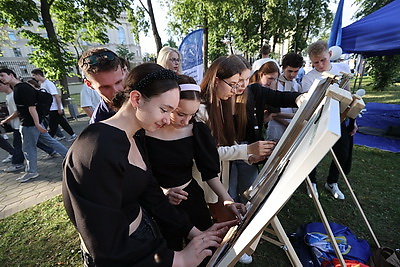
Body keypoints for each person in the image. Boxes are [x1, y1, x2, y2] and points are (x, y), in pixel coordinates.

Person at [62, 63, 234, 266]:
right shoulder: (96, 150)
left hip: (145, 236)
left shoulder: (136, 136)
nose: (166, 118)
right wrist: (178, 259)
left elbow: (151, 194)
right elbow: (106, 246)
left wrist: (196, 233)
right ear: (136, 99)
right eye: (164, 109)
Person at [145, 74, 245, 252]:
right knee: (170, 250)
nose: (186, 121)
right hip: (159, 203)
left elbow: (209, 172)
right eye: (180, 114)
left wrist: (227, 200)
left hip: (192, 199)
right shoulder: (146, 134)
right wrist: (164, 192)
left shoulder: (196, 131)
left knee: (206, 248)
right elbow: (143, 175)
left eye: (192, 115)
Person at [302, 40, 357, 200]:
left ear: (330, 54)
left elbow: (348, 95)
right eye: (315, 63)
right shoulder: (308, 78)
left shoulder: (343, 69)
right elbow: (309, 105)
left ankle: (332, 182)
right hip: (317, 120)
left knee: (342, 153)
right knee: (314, 153)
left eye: (322, 60)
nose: (319, 65)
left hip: (340, 119)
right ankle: (311, 182)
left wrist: (352, 118)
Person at [0, 68, 68, 182]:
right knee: (50, 141)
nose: (1, 79)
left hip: (29, 124)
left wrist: (37, 124)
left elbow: (32, 107)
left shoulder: (22, 88)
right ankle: (69, 155)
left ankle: (32, 172)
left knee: (28, 149)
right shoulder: (19, 88)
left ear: (11, 75)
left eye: (2, 75)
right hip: (30, 123)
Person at [78, 47, 126, 124]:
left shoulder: (146, 96)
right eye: (105, 87)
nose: (115, 91)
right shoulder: (99, 125)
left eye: (118, 82)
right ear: (89, 85)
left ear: (123, 72)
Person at [266, 52, 304, 141]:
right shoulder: (275, 83)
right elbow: (271, 110)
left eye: (296, 71)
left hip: (291, 123)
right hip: (276, 124)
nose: (293, 75)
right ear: (283, 68)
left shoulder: (297, 85)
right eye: (290, 71)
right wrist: (286, 123)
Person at [31, 69, 77, 142]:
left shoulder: (48, 84)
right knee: (60, 122)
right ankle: (70, 134)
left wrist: (59, 107)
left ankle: (51, 138)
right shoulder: (42, 84)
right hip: (51, 107)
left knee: (53, 124)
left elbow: (56, 96)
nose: (34, 78)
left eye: (34, 75)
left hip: (54, 107)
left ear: (38, 75)